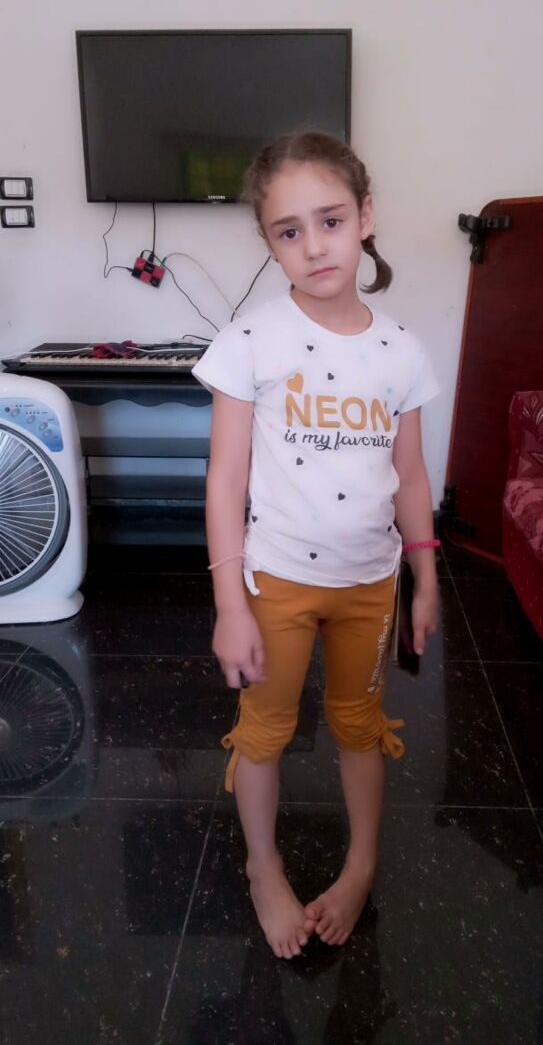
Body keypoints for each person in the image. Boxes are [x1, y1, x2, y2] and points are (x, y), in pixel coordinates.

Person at [192, 131, 440, 960]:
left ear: (365, 216)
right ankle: (263, 866)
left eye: (330, 221)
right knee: (264, 729)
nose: (314, 245)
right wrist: (230, 604)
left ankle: (361, 862)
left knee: (359, 724)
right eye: (288, 231)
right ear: (270, 244)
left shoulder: (401, 351)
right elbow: (225, 481)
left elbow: (411, 476)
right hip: (277, 584)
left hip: (370, 584)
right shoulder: (249, 341)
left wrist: (426, 577)